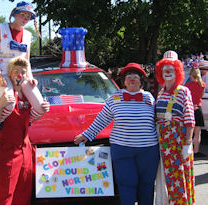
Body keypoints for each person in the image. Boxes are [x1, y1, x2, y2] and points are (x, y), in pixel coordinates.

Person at [74, 63, 159, 205]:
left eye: (136, 77)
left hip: (148, 150)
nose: (132, 79)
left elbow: (158, 120)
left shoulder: (149, 98)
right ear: (124, 81)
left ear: (141, 80)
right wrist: (87, 134)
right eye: (129, 77)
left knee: (147, 184)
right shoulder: (114, 99)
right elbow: (102, 119)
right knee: (126, 183)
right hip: (122, 149)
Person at [0, 56, 50, 205]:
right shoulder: (1, 95)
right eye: (16, 71)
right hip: (7, 152)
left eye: (23, 72)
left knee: (24, 194)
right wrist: (0, 105)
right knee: (5, 196)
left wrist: (44, 110)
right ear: (9, 73)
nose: (20, 75)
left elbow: (30, 119)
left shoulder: (28, 96)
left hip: (25, 150)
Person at [0, 1, 43, 125]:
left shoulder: (28, 35)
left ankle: (24, 122)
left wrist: (31, 78)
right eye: (23, 14)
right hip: (2, 73)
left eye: (28, 16)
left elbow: (26, 61)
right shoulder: (0, 28)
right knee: (9, 103)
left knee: (41, 106)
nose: (25, 18)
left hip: (20, 75)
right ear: (15, 13)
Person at [155, 50, 195, 204]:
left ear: (177, 71)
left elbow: (190, 120)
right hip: (164, 145)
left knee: (180, 180)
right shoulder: (161, 93)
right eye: (164, 68)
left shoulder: (184, 91)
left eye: (171, 68)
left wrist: (187, 144)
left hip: (178, 144)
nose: (167, 72)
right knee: (167, 180)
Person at [185, 68, 206, 157]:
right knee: (198, 133)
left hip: (189, 109)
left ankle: (187, 150)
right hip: (198, 108)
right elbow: (201, 96)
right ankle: (196, 151)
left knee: (188, 132)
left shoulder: (187, 85)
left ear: (190, 75)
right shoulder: (202, 85)